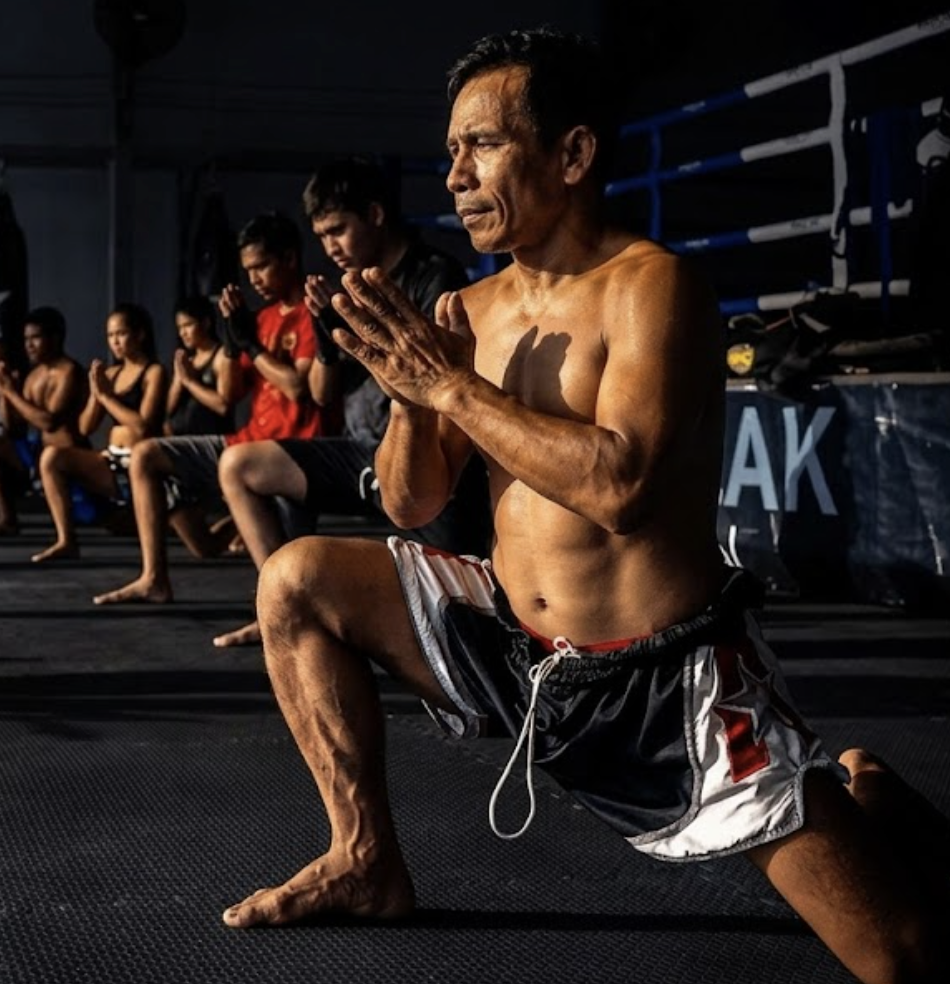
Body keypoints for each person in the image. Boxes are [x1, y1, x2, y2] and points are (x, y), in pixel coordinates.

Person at [220, 31, 947, 984]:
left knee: (899, 957)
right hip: (520, 652)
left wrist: (454, 393)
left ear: (570, 154)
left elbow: (622, 489)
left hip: (664, 685)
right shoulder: (470, 313)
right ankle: (365, 859)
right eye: (450, 154)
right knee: (297, 577)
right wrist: (407, 395)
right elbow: (413, 503)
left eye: (480, 146)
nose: (454, 176)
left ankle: (862, 797)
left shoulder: (652, 287)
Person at [212, 158, 487, 648]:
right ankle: (278, 608)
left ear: (376, 214)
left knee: (458, 616)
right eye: (320, 235)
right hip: (361, 452)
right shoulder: (352, 286)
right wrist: (324, 339)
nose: (329, 247)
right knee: (239, 466)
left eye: (338, 229)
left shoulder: (433, 276)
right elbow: (321, 394)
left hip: (422, 461)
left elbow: (433, 390)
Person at [94, 212, 320, 605]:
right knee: (146, 455)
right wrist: (233, 342)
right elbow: (231, 394)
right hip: (244, 441)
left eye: (261, 267)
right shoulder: (262, 318)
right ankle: (154, 578)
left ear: (289, 258)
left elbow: (299, 388)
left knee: (291, 562)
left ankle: (280, 609)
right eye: (248, 270)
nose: (253, 279)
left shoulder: (313, 312)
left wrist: (249, 345)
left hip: (292, 448)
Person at [31, 303, 167, 562]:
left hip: (144, 462)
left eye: (121, 333)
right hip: (111, 460)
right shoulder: (112, 373)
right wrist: (97, 394)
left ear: (140, 335)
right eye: (110, 335)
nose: (115, 341)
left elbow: (142, 426)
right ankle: (66, 540)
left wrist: (107, 397)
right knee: (52, 457)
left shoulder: (153, 371)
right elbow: (85, 428)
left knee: (202, 544)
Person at [0, 306, 86, 537]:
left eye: (36, 338)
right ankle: (7, 518)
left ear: (55, 338)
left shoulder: (69, 372)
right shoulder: (34, 376)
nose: (29, 345)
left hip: (68, 454)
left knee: (104, 521)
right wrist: (3, 392)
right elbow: (14, 426)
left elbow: (49, 422)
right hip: (37, 450)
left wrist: (12, 394)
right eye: (26, 339)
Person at [165, 295, 238, 439]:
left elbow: (223, 406)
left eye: (188, 325)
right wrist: (179, 381)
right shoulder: (187, 360)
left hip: (210, 440)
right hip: (180, 438)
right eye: (179, 327)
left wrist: (189, 382)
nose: (183, 333)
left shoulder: (222, 356)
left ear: (205, 323)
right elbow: (168, 410)